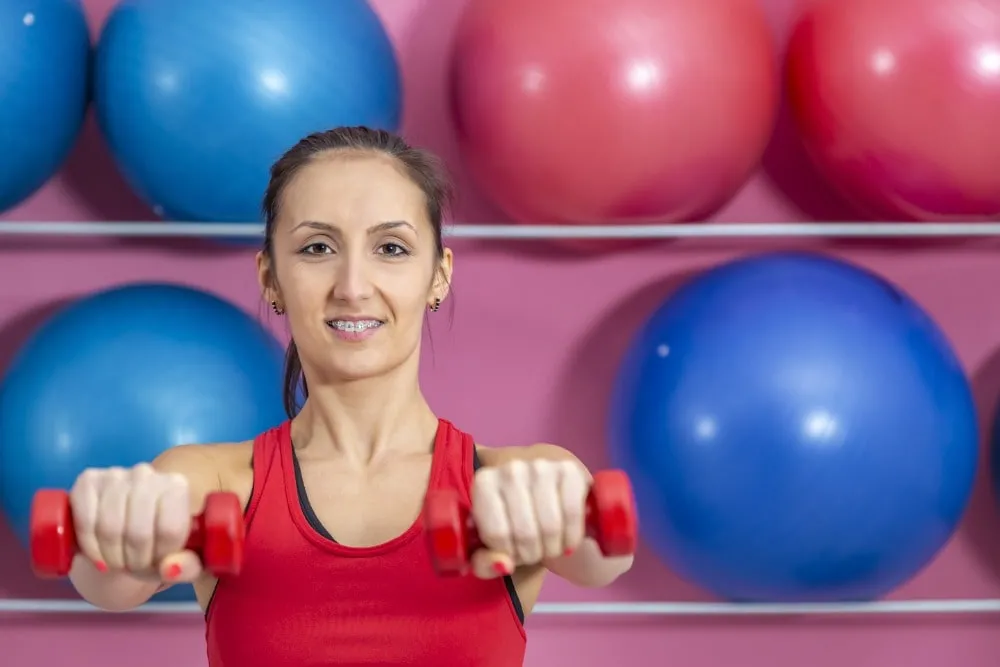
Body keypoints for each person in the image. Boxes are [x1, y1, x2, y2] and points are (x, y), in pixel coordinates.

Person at [65, 126, 634, 666]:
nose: (353, 287)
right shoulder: (215, 485)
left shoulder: (513, 482)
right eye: (317, 248)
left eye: (391, 248)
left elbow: (602, 558)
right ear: (270, 278)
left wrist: (561, 514)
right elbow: (107, 583)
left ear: (438, 275)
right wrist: (113, 531)